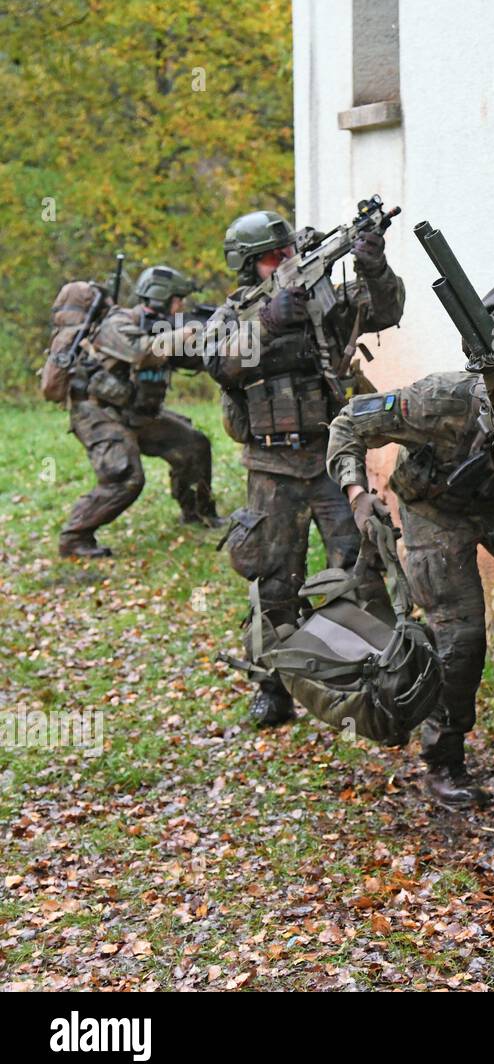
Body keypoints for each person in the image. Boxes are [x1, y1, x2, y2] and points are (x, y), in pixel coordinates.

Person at [328, 371, 494, 809]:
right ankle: (443, 761)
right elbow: (348, 423)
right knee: (460, 636)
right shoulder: (440, 400)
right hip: (435, 509)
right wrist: (358, 498)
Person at [203, 209, 405, 727]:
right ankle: (271, 684)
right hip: (271, 466)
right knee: (274, 581)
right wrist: (269, 321)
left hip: (331, 458)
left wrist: (374, 266)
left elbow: (384, 311)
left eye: (288, 251)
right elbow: (219, 363)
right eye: (274, 257)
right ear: (249, 267)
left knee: (359, 564)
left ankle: (372, 675)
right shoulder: (232, 315)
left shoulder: (321, 299)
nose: (286, 261)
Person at [59, 266, 220, 558]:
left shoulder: (164, 327)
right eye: (177, 299)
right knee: (126, 477)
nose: (181, 306)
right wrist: (186, 332)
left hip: (137, 413)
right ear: (161, 297)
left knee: (194, 446)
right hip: (98, 412)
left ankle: (198, 513)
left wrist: (214, 341)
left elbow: (190, 359)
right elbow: (141, 352)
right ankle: (75, 538)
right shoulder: (118, 322)